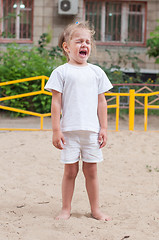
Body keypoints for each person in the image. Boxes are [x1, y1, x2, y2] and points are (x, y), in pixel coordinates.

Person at [44, 21, 113, 221]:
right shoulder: (61, 72)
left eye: (88, 42)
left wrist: (104, 128)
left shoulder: (97, 72)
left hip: (92, 131)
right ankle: (66, 208)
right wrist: (56, 131)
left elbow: (102, 102)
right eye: (79, 41)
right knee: (70, 171)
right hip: (69, 132)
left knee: (91, 172)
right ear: (67, 47)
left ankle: (96, 209)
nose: (85, 45)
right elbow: (55, 103)